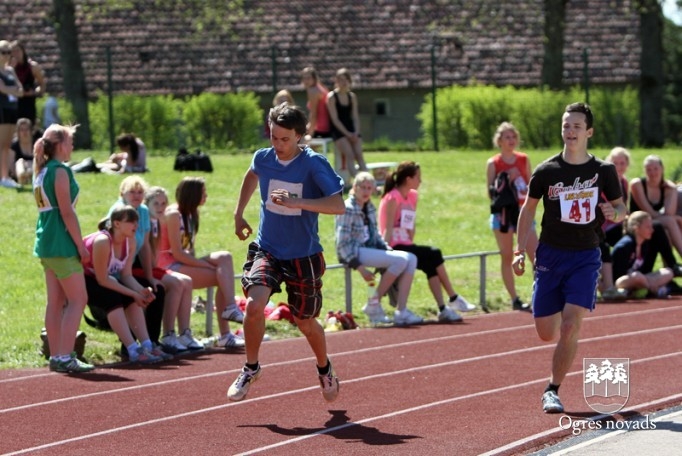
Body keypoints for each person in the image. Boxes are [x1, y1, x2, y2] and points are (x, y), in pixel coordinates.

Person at [512, 102, 627, 414]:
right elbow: (528, 210)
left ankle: (552, 389)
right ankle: (558, 308)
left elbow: (621, 208)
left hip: (586, 255)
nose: (570, 131)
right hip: (551, 254)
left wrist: (611, 211)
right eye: (566, 126)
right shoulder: (547, 172)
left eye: (577, 126)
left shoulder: (603, 171)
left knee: (571, 325)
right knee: (545, 332)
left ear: (588, 132)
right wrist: (519, 250)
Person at [229, 103, 344, 402]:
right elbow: (252, 174)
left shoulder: (314, 164)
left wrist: (298, 202)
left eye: (284, 140)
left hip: (303, 255)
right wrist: (238, 212)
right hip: (268, 248)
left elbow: (337, 205)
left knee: (305, 321)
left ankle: (324, 368)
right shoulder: (263, 158)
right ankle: (251, 367)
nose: (277, 145)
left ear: (299, 137)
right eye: (273, 137)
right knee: (254, 306)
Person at [378, 161, 475, 324]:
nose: (420, 181)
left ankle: (444, 308)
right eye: (418, 178)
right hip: (394, 245)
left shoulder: (412, 196)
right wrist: (385, 251)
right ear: (408, 179)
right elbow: (387, 228)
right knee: (434, 253)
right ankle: (453, 297)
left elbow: (410, 225)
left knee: (431, 263)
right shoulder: (392, 197)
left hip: (407, 243)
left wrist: (410, 236)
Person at [32, 123, 94, 373]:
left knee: (55, 302)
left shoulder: (44, 170)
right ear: (59, 145)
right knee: (78, 299)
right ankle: (64, 355)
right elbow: (67, 213)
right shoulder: (59, 171)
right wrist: (81, 245)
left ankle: (57, 355)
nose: (72, 146)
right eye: (69, 141)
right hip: (60, 242)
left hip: (46, 242)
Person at [157, 176, 245, 350]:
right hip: (168, 265)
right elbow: (177, 253)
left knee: (225, 257)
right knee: (222, 277)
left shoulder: (191, 213)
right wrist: (206, 266)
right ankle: (225, 332)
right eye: (203, 192)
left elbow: (189, 248)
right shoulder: (174, 214)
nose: (206, 196)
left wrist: (205, 264)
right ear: (192, 194)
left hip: (184, 262)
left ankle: (229, 310)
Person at [83, 206, 167, 364]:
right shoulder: (102, 241)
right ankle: (132, 349)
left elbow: (126, 275)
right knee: (114, 298)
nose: (135, 225)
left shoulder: (131, 241)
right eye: (130, 222)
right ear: (116, 224)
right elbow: (102, 280)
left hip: (104, 279)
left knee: (130, 299)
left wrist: (140, 291)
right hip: (82, 278)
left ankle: (147, 345)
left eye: (137, 222)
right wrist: (133, 293)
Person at [336, 171, 418, 325]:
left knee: (411, 259)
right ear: (354, 187)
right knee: (401, 260)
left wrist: (388, 251)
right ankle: (373, 304)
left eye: (369, 188)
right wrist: (360, 267)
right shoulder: (347, 208)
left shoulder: (369, 207)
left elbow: (376, 236)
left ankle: (402, 310)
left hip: (369, 249)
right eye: (363, 187)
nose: (366, 191)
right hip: (354, 252)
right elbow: (342, 243)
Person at [108, 176, 169, 356]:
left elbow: (144, 246)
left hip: (127, 268)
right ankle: (129, 346)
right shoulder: (117, 213)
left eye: (140, 192)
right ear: (122, 193)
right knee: (133, 297)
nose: (136, 195)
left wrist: (150, 277)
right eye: (132, 192)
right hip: (112, 272)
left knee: (156, 290)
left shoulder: (142, 212)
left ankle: (151, 342)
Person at [145, 186, 203, 352]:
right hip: (144, 269)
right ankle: (168, 334)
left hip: (154, 267)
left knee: (186, 280)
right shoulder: (145, 220)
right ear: (147, 204)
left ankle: (184, 332)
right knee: (177, 282)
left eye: (164, 203)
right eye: (156, 203)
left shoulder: (157, 221)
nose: (160, 207)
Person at [486, 121, 537, 311]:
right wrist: (507, 178)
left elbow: (532, 187)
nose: (511, 140)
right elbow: (491, 194)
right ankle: (514, 298)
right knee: (507, 256)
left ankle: (539, 294)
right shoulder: (493, 163)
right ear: (499, 141)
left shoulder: (523, 159)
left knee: (536, 256)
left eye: (514, 136)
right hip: (503, 216)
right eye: (507, 137)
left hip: (523, 213)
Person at [629, 155, 682, 260]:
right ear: (644, 171)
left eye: (656, 169)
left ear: (662, 169)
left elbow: (669, 213)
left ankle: (669, 268)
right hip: (638, 222)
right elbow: (649, 212)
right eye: (649, 169)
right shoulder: (637, 184)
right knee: (672, 221)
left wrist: (673, 191)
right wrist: (675, 219)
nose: (652, 173)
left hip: (654, 223)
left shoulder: (667, 187)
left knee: (667, 231)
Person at [612, 211, 674, 297]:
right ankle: (653, 289)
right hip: (622, 281)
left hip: (641, 279)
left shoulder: (644, 244)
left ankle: (644, 288)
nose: (652, 230)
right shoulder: (625, 246)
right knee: (637, 276)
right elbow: (618, 276)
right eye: (648, 227)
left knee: (668, 272)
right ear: (636, 228)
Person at [598, 147, 632, 300]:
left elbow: (623, 208)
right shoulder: (603, 181)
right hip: (601, 225)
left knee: (632, 240)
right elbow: (603, 209)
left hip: (616, 224)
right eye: (614, 162)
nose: (618, 167)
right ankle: (608, 287)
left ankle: (625, 279)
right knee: (602, 246)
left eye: (622, 163)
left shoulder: (624, 183)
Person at [326, 68, 368, 178]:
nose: (343, 83)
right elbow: (335, 119)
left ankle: (369, 182)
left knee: (359, 155)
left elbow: (355, 116)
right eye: (340, 80)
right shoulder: (332, 97)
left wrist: (356, 132)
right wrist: (347, 134)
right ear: (336, 81)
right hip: (338, 130)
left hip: (351, 129)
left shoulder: (352, 97)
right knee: (350, 154)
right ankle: (358, 183)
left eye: (345, 80)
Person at [0, 40, 23, 188]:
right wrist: (13, 90)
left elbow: (20, 89)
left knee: (7, 144)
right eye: (3, 52)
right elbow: (2, 89)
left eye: (9, 52)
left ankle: (5, 176)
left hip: (11, 109)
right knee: (1, 143)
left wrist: (13, 90)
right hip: (1, 108)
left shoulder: (10, 70)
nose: (6, 55)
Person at [10, 41, 46, 128]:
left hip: (28, 103)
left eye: (18, 51)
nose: (16, 54)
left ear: (23, 51)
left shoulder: (33, 67)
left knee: (29, 128)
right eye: (13, 52)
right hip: (13, 103)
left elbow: (42, 85)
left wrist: (33, 92)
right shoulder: (9, 68)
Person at [301, 67, 331, 138]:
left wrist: (310, 134)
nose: (306, 81)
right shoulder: (320, 87)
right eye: (304, 78)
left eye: (308, 78)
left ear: (314, 78)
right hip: (328, 127)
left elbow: (314, 114)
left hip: (320, 129)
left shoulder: (313, 91)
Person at [11, 117, 34, 185]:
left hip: (33, 168)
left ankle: (29, 177)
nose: (24, 132)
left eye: (27, 129)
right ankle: (24, 178)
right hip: (19, 171)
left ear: (31, 130)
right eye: (22, 130)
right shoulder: (14, 145)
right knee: (20, 161)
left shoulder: (36, 143)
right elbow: (11, 165)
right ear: (18, 132)